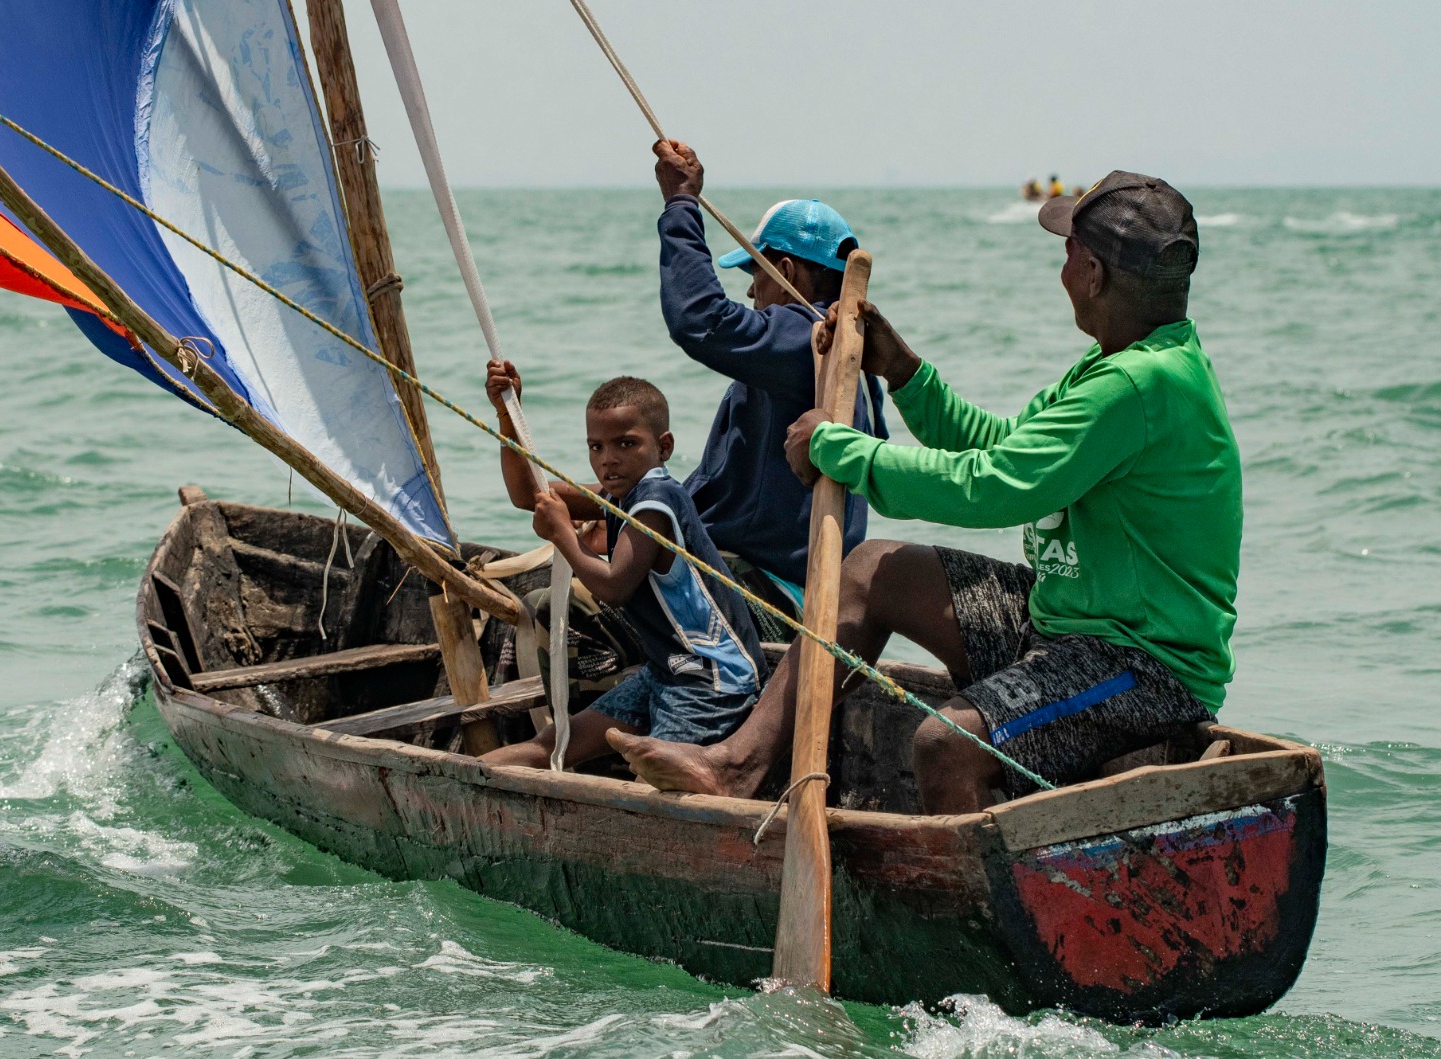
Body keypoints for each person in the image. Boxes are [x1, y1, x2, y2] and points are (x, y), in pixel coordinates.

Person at [611, 171, 1237, 815]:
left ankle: (959, 903)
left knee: (947, 744)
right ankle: (738, 766)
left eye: (1069, 255)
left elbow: (995, 489)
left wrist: (843, 450)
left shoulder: (1137, 384)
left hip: (1143, 664)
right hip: (1067, 616)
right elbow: (1004, 446)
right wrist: (905, 372)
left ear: (1096, 275)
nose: (1062, 273)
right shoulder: (1121, 361)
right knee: (871, 571)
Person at [479, 366, 768, 769]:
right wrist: (508, 415)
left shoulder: (656, 501)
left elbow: (614, 587)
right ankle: (454, 783)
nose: (608, 460)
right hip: (666, 674)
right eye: (596, 447)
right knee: (552, 745)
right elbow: (527, 494)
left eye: (626, 444)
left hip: (712, 683)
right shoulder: (620, 495)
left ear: (663, 447)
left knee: (657, 783)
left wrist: (564, 535)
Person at [654, 139, 888, 635]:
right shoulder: (859, 361)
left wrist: (680, 206)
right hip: (803, 591)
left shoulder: (803, 336)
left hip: (768, 592)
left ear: (784, 272)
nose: (749, 291)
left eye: (754, 275)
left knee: (567, 600)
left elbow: (699, 320)